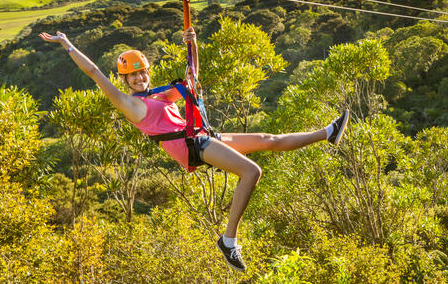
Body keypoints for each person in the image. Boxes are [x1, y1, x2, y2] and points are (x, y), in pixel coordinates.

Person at [40, 28, 350, 272]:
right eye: (133, 75)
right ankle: (229, 241)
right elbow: (94, 72)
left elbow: (192, 79)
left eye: (143, 72)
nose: (140, 77)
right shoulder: (131, 105)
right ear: (125, 79)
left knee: (270, 139)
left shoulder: (160, 97)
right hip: (193, 146)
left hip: (201, 136)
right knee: (252, 171)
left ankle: (328, 132)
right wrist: (66, 43)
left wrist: (193, 45)